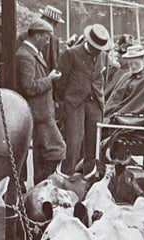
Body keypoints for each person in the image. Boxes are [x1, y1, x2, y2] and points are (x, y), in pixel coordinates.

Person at [55, 23, 110, 175]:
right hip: (75, 104)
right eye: (95, 47)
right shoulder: (71, 54)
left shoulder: (103, 56)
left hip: (95, 104)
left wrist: (100, 99)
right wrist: (65, 102)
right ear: (88, 42)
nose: (98, 51)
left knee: (93, 144)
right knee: (73, 142)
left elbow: (102, 78)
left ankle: (88, 177)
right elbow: (60, 82)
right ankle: (66, 177)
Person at [17, 18, 66, 184]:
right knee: (56, 148)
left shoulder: (30, 54)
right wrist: (50, 79)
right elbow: (28, 87)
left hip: (40, 112)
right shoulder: (26, 56)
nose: (47, 43)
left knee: (41, 151)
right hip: (38, 113)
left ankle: (40, 183)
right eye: (46, 38)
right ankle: (45, 183)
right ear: (37, 36)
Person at [103, 44, 144, 123]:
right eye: (131, 64)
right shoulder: (126, 76)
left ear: (143, 61)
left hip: (123, 120)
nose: (133, 66)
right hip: (109, 114)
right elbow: (112, 98)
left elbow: (134, 106)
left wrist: (112, 118)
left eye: (136, 63)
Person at [104, 34, 133, 100]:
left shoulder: (127, 73)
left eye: (119, 58)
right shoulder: (118, 69)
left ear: (126, 58)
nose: (117, 60)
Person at [38, 5, 64, 72]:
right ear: (42, 19)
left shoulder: (55, 40)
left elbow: (56, 62)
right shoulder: (27, 37)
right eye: (49, 21)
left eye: (55, 23)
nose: (51, 25)